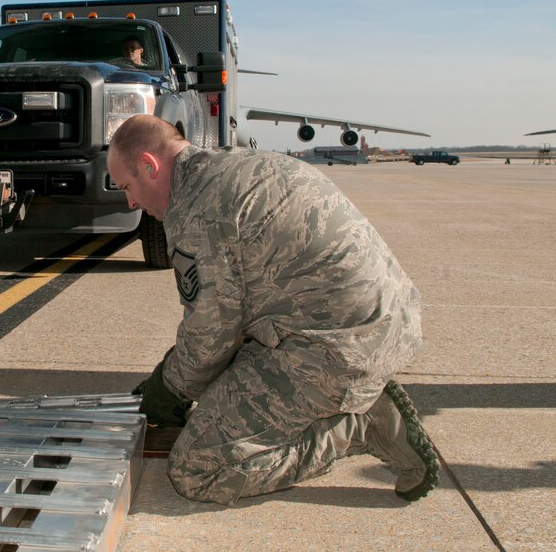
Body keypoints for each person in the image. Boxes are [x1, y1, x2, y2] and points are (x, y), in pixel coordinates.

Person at [107, 114, 439, 505]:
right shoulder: (241, 165)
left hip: (337, 350)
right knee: (217, 386)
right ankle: (345, 398)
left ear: (150, 164)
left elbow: (211, 335)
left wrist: (170, 387)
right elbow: (233, 312)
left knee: (197, 468)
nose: (130, 201)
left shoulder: (196, 208)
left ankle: (357, 425)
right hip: (385, 322)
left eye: (127, 186)